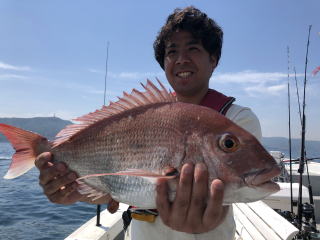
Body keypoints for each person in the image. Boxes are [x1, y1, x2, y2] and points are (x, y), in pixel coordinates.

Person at [35, 6, 262, 240]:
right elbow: (118, 187)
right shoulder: (143, 116)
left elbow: (241, 188)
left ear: (213, 60)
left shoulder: (236, 120)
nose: (181, 59)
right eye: (172, 52)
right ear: (164, 63)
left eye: (193, 48)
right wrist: (72, 192)